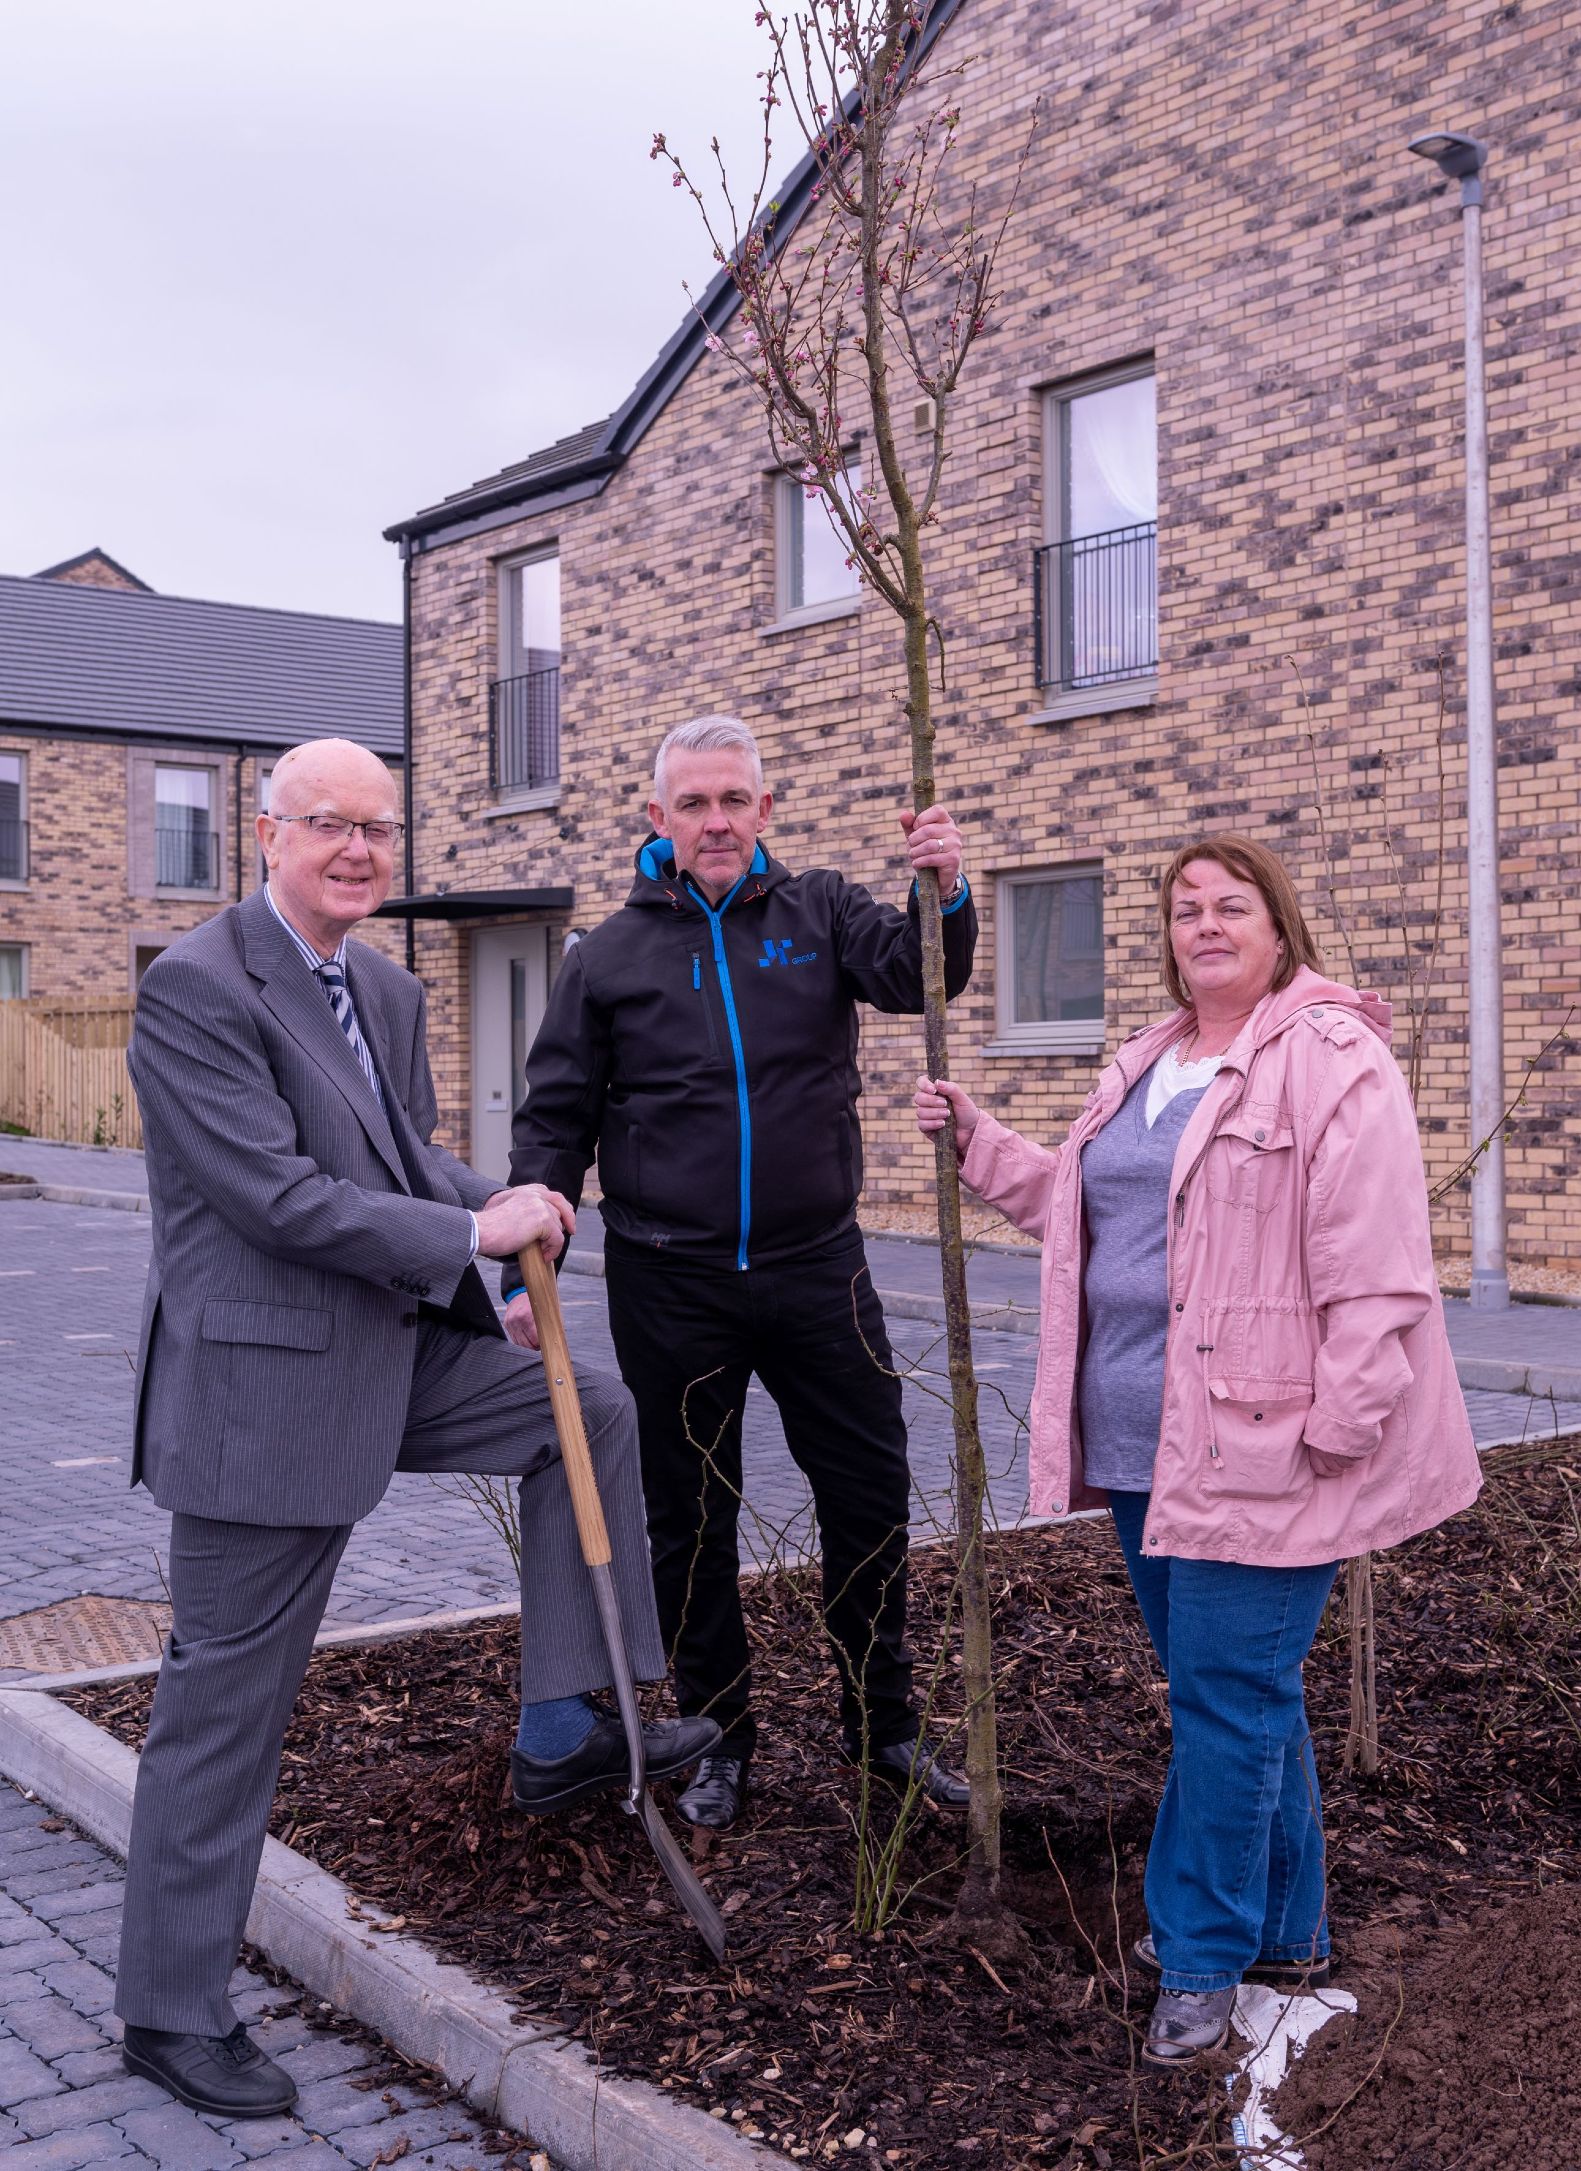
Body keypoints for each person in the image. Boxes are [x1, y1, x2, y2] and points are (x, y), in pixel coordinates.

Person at [115, 737, 716, 2122]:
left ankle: (569, 1717)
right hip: (263, 1391)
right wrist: (465, 1230)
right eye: (329, 825)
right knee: (224, 1712)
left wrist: (495, 1251)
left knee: (592, 1410)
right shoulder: (198, 992)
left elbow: (397, 1161)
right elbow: (280, 1198)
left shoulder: (380, 986)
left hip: (389, 1350)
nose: (359, 852)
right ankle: (167, 2008)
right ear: (264, 831)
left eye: (379, 829)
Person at [916, 835, 1481, 2066]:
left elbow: (1382, 1272)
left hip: (1269, 1441)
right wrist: (980, 1140)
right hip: (1145, 1444)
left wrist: (1333, 1431)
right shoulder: (1145, 1062)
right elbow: (1082, 1208)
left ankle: (1203, 1954)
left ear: (1280, 926)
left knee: (1227, 1697)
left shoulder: (1337, 1060)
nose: (1207, 924)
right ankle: (1288, 1931)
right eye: (1185, 909)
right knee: (1240, 1695)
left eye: (1233, 905)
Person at [502, 715, 978, 1830]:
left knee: (868, 1495)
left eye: (734, 800)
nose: (715, 821)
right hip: (672, 1281)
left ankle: (885, 1728)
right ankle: (719, 1733)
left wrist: (944, 888)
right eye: (693, 803)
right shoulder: (605, 956)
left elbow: (922, 975)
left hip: (822, 1268)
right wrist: (530, 1273)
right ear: (656, 818)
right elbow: (553, 1122)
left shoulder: (820, 913)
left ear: (765, 810)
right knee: (690, 1517)